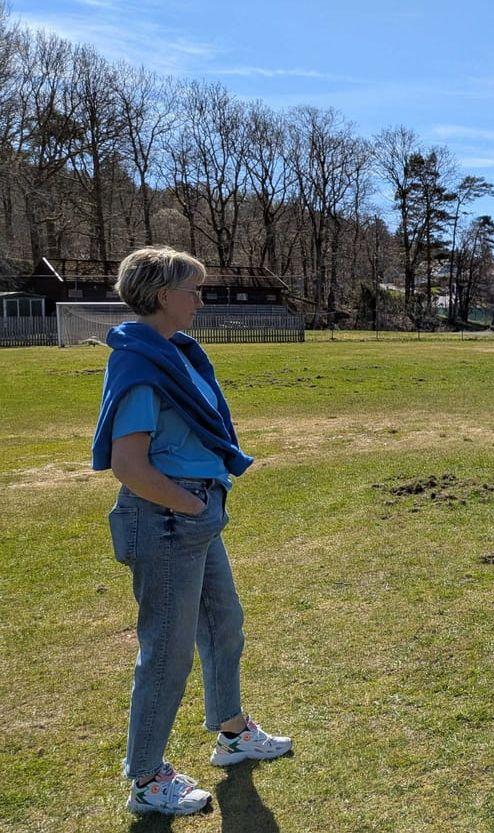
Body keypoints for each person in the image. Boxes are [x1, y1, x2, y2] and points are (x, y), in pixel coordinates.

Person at [91, 246, 291, 816]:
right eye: (193, 290)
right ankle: (147, 779)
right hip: (166, 517)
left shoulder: (175, 354)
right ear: (163, 297)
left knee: (224, 624)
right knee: (167, 652)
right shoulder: (139, 367)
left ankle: (232, 731)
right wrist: (190, 505)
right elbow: (129, 465)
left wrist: (203, 505)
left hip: (193, 514)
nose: (200, 301)